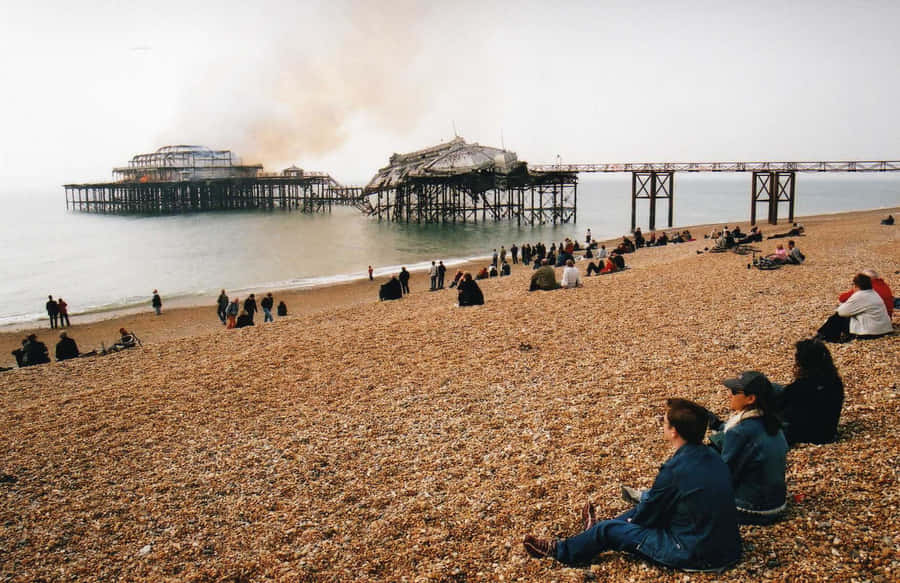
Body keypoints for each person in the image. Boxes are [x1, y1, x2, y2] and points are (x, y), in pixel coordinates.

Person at [524, 398, 741, 571]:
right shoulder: (713, 456)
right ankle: (590, 536)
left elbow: (647, 517)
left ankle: (560, 550)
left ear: (674, 430)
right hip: (726, 547)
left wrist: (625, 526)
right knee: (631, 515)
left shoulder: (674, 470)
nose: (661, 425)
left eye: (663, 422)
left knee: (610, 529)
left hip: (695, 553)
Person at [707, 371, 788, 525]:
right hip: (778, 504)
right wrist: (718, 426)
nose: (729, 394)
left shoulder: (739, 432)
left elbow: (726, 476)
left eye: (734, 392)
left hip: (753, 510)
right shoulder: (773, 423)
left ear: (751, 399)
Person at [775, 339, 844, 446]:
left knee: (766, 390)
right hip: (827, 432)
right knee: (775, 388)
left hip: (803, 435)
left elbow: (779, 404)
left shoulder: (801, 386)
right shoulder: (835, 381)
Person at [817, 273, 893, 342]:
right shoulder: (873, 293)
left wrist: (843, 306)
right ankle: (823, 334)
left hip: (871, 332)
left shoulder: (860, 295)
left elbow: (841, 312)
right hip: (884, 329)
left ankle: (827, 337)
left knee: (837, 317)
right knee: (846, 315)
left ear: (856, 285)